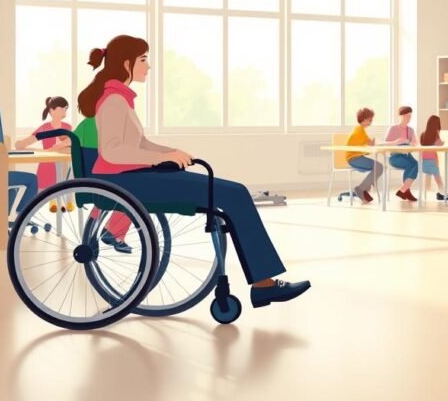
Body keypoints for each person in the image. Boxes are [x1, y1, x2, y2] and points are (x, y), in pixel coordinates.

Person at [80, 34, 310, 308]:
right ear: (127, 63)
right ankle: (263, 284)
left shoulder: (121, 99)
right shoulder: (114, 101)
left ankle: (263, 283)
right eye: (143, 60)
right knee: (235, 195)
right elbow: (112, 151)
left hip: (133, 178)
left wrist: (170, 153)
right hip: (126, 183)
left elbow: (140, 144)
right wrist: (157, 160)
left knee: (232, 193)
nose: (149, 66)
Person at [15, 97, 73, 211]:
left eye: (66, 109)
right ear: (52, 110)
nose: (64, 111)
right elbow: (22, 144)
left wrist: (61, 148)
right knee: (39, 196)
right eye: (62, 109)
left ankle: (62, 202)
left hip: (62, 167)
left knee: (62, 186)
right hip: (47, 166)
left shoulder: (67, 127)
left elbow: (71, 146)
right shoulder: (45, 128)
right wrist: (43, 151)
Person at [346, 107, 384, 203]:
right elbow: (370, 143)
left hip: (357, 157)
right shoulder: (360, 130)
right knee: (378, 167)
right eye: (370, 120)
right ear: (364, 118)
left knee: (378, 167)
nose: (371, 122)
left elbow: (367, 143)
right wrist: (374, 142)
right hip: (353, 158)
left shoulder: (360, 129)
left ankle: (365, 189)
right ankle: (361, 188)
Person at [382, 106, 419, 202]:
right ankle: (405, 190)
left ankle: (403, 189)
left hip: (407, 154)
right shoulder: (393, 128)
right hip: (395, 156)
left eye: (410, 116)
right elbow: (384, 144)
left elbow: (415, 143)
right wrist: (396, 142)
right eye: (406, 116)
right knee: (410, 165)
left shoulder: (410, 130)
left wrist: (412, 144)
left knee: (415, 163)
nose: (408, 119)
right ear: (400, 116)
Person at [419, 115, 448, 201]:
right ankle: (444, 193)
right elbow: (440, 144)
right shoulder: (435, 135)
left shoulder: (423, 134)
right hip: (432, 160)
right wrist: (447, 142)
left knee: (428, 175)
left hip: (423, 159)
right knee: (438, 178)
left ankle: (425, 194)